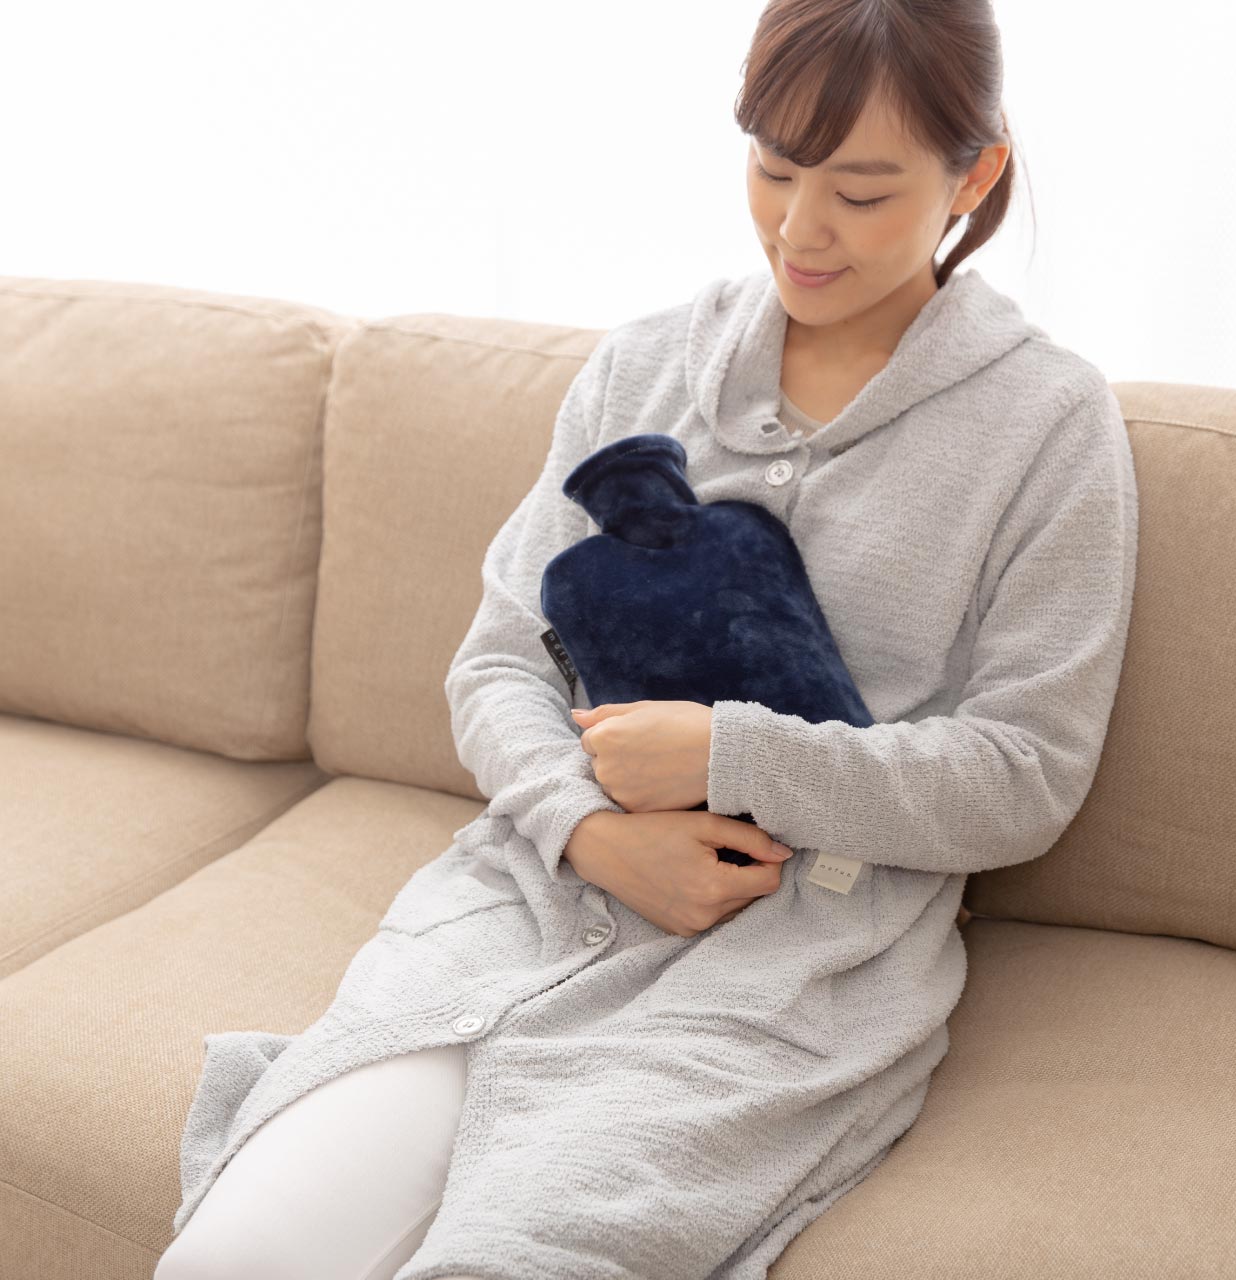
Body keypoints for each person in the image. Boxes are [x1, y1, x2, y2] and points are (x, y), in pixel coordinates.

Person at [156, 1, 1138, 1278]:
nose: (800, 228)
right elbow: (497, 660)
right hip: (525, 900)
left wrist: (726, 752)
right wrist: (589, 828)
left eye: (859, 191)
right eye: (773, 169)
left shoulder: (1047, 425)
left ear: (973, 174)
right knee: (234, 1255)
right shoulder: (643, 367)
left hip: (789, 969)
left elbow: (1025, 774)